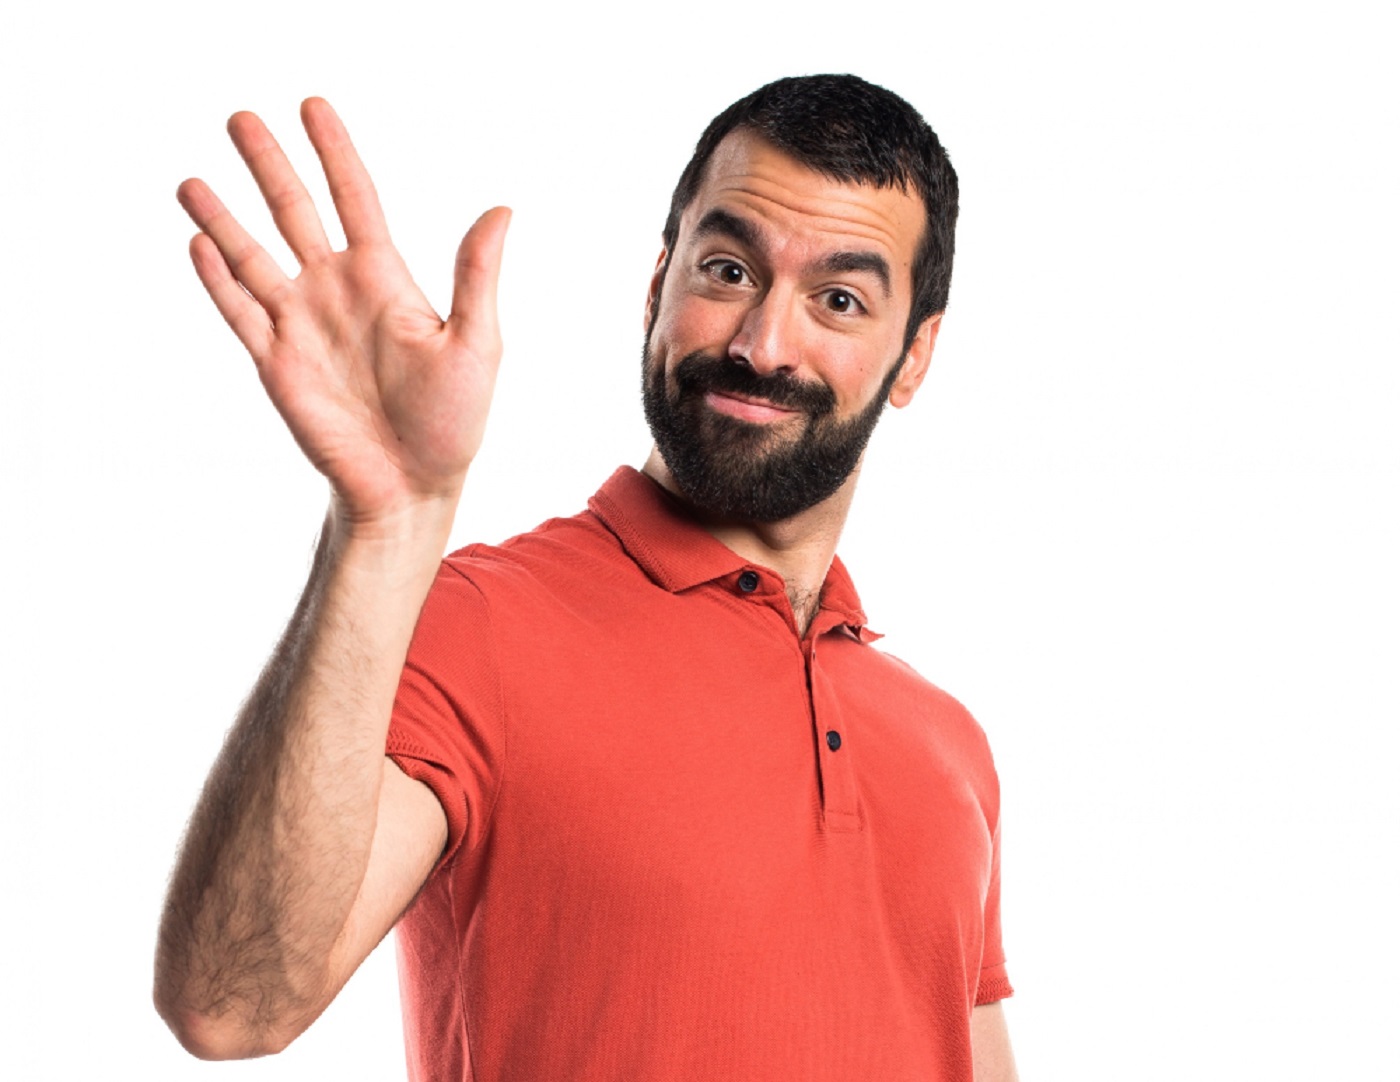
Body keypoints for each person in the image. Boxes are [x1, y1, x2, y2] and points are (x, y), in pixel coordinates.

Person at [154, 75, 1018, 1081]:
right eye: (728, 268)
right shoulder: (476, 623)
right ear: (658, 286)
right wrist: (385, 526)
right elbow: (231, 1003)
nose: (760, 343)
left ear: (913, 356)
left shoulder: (946, 743)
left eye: (836, 298)